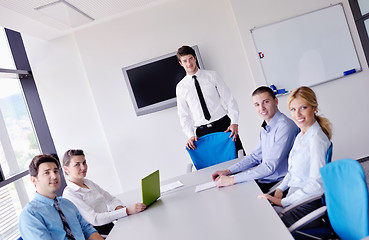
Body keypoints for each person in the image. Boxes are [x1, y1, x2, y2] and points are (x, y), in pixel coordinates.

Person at [259, 86, 332, 227]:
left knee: (266, 224)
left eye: (303, 108)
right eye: (293, 109)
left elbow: (317, 185)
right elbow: (293, 171)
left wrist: (282, 202)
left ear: (314, 108)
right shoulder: (301, 135)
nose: (297, 114)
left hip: (305, 204)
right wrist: (280, 189)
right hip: (294, 197)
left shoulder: (316, 140)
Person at [211, 86, 299, 193]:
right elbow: (254, 157)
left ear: (275, 101)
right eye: (257, 104)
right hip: (265, 180)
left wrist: (232, 180)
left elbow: (269, 167)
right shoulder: (267, 127)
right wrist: (228, 171)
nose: (261, 108)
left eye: (266, 102)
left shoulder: (285, 127)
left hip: (279, 185)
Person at [176, 45, 244, 155]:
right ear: (181, 63)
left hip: (224, 126)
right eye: (185, 61)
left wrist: (235, 122)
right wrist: (190, 135)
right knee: (213, 166)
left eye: (190, 59)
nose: (189, 63)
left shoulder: (212, 76)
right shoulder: (181, 87)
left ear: (195, 58)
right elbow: (183, 115)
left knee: (238, 160)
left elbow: (229, 100)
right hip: (202, 133)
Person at [19, 154, 103, 240]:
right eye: (47, 172)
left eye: (55, 171)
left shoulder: (67, 204)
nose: (54, 176)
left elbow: (87, 229)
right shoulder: (30, 215)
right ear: (34, 180)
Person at [62, 149, 146, 235]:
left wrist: (119, 208)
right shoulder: (70, 194)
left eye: (84, 162)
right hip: (98, 234)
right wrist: (126, 211)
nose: (83, 167)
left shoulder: (88, 183)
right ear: (66, 169)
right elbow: (95, 219)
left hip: (110, 226)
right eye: (77, 164)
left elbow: (111, 199)